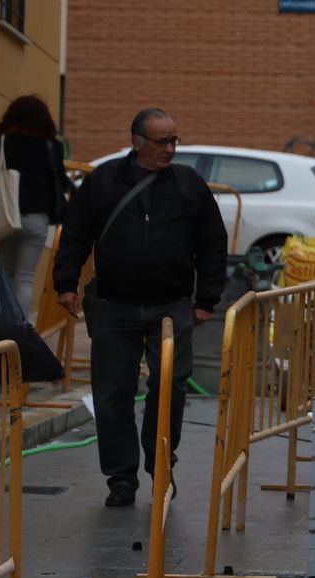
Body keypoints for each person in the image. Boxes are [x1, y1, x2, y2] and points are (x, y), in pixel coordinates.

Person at [52, 109, 228, 507]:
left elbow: (213, 243)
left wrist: (206, 301)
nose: (169, 149)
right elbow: (75, 234)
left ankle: (161, 463)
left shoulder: (189, 185)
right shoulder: (103, 182)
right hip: (115, 305)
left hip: (172, 305)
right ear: (136, 141)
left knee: (171, 387)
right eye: (161, 142)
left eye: (173, 141)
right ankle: (121, 478)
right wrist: (65, 284)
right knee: (112, 393)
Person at [0, 95, 72, 312]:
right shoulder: (51, 147)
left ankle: (4, 331)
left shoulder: (1, 143)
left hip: (6, 216)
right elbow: (60, 182)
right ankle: (21, 332)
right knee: (26, 278)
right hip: (37, 218)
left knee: (6, 275)